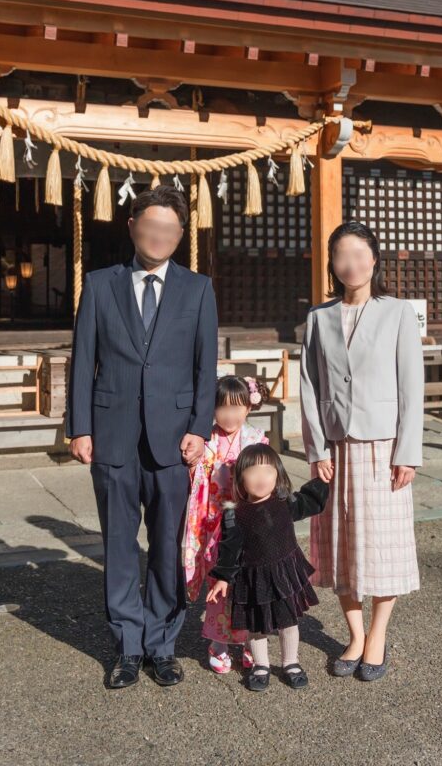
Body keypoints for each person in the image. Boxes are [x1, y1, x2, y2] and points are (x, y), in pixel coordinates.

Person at [66, 184, 218, 690]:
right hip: (111, 434)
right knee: (118, 544)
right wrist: (80, 426)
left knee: (169, 543)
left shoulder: (197, 289)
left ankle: (162, 644)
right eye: (151, 226)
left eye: (169, 229)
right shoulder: (100, 284)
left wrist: (199, 428)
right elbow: (83, 361)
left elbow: (206, 367)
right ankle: (128, 646)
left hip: (173, 439)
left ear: (180, 234)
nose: (159, 236)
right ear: (133, 227)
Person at [300, 220, 424, 682]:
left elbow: (411, 385)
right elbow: (309, 386)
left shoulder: (397, 313)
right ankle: (354, 635)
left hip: (383, 448)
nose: (350, 264)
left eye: (358, 254)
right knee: (340, 546)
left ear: (373, 259)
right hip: (335, 448)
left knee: (383, 546)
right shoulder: (319, 317)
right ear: (332, 264)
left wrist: (408, 452)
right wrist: (316, 449)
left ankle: (377, 635)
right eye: (341, 256)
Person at [206, 444, 329, 691]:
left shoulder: (285, 502)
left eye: (267, 471)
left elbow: (311, 501)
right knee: (256, 626)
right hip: (253, 578)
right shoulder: (235, 515)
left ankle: (291, 662)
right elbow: (229, 550)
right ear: (240, 479)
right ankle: (261, 665)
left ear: (278, 475)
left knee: (288, 622)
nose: (261, 478)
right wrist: (223, 578)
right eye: (252, 472)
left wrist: (324, 479)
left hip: (284, 574)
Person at [183, 374, 270, 675]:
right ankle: (218, 643)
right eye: (222, 408)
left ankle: (249, 642)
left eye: (237, 407)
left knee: (249, 584)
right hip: (214, 524)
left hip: (247, 523)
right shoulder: (206, 440)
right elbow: (196, 478)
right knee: (218, 585)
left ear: (249, 407)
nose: (229, 415)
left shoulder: (256, 439)